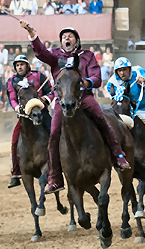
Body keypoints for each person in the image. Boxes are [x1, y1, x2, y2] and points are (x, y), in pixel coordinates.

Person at [20, 21, 131, 194]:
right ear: (61, 41)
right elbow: (40, 52)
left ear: (76, 40)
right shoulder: (55, 55)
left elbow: (97, 77)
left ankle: (118, 156)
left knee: (102, 120)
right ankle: (55, 178)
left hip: (84, 97)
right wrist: (32, 34)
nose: (67, 38)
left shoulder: (87, 55)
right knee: (54, 134)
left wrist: (87, 82)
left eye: (70, 36)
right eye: (64, 37)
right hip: (62, 101)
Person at [7, 55, 53, 188]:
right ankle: (16, 173)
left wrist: (45, 99)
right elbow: (12, 98)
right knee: (15, 141)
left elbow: (50, 91)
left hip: (42, 113)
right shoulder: (12, 81)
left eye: (22, 64)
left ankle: (61, 164)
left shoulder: (39, 76)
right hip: (25, 117)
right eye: (17, 65)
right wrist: (17, 108)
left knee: (55, 134)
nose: (19, 67)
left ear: (27, 65)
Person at [107, 57, 145, 165]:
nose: (122, 73)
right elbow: (112, 97)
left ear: (129, 69)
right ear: (116, 72)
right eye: (119, 70)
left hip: (144, 109)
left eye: (125, 69)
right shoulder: (112, 82)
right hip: (125, 113)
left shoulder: (138, 71)